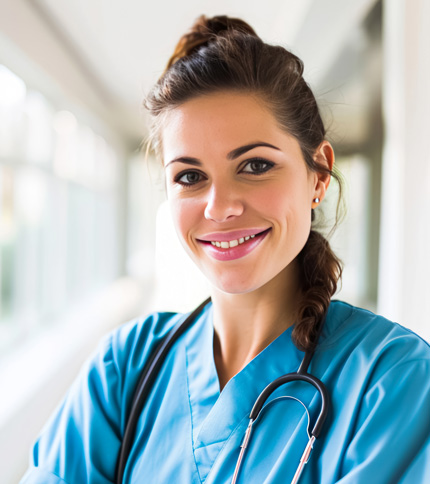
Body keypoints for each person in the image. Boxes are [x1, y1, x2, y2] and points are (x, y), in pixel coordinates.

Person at [21, 15, 430, 484]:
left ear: (318, 173)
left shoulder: (393, 380)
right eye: (190, 176)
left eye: (255, 165)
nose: (219, 208)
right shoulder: (125, 369)